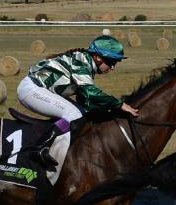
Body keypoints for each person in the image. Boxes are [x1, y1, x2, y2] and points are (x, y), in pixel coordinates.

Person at [15, 34, 140, 169]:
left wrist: (109, 111)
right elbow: (90, 92)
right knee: (73, 114)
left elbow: (85, 101)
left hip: (41, 89)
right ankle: (39, 148)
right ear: (98, 57)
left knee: (82, 113)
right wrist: (119, 104)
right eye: (111, 62)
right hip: (32, 89)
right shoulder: (81, 62)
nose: (113, 67)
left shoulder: (86, 63)